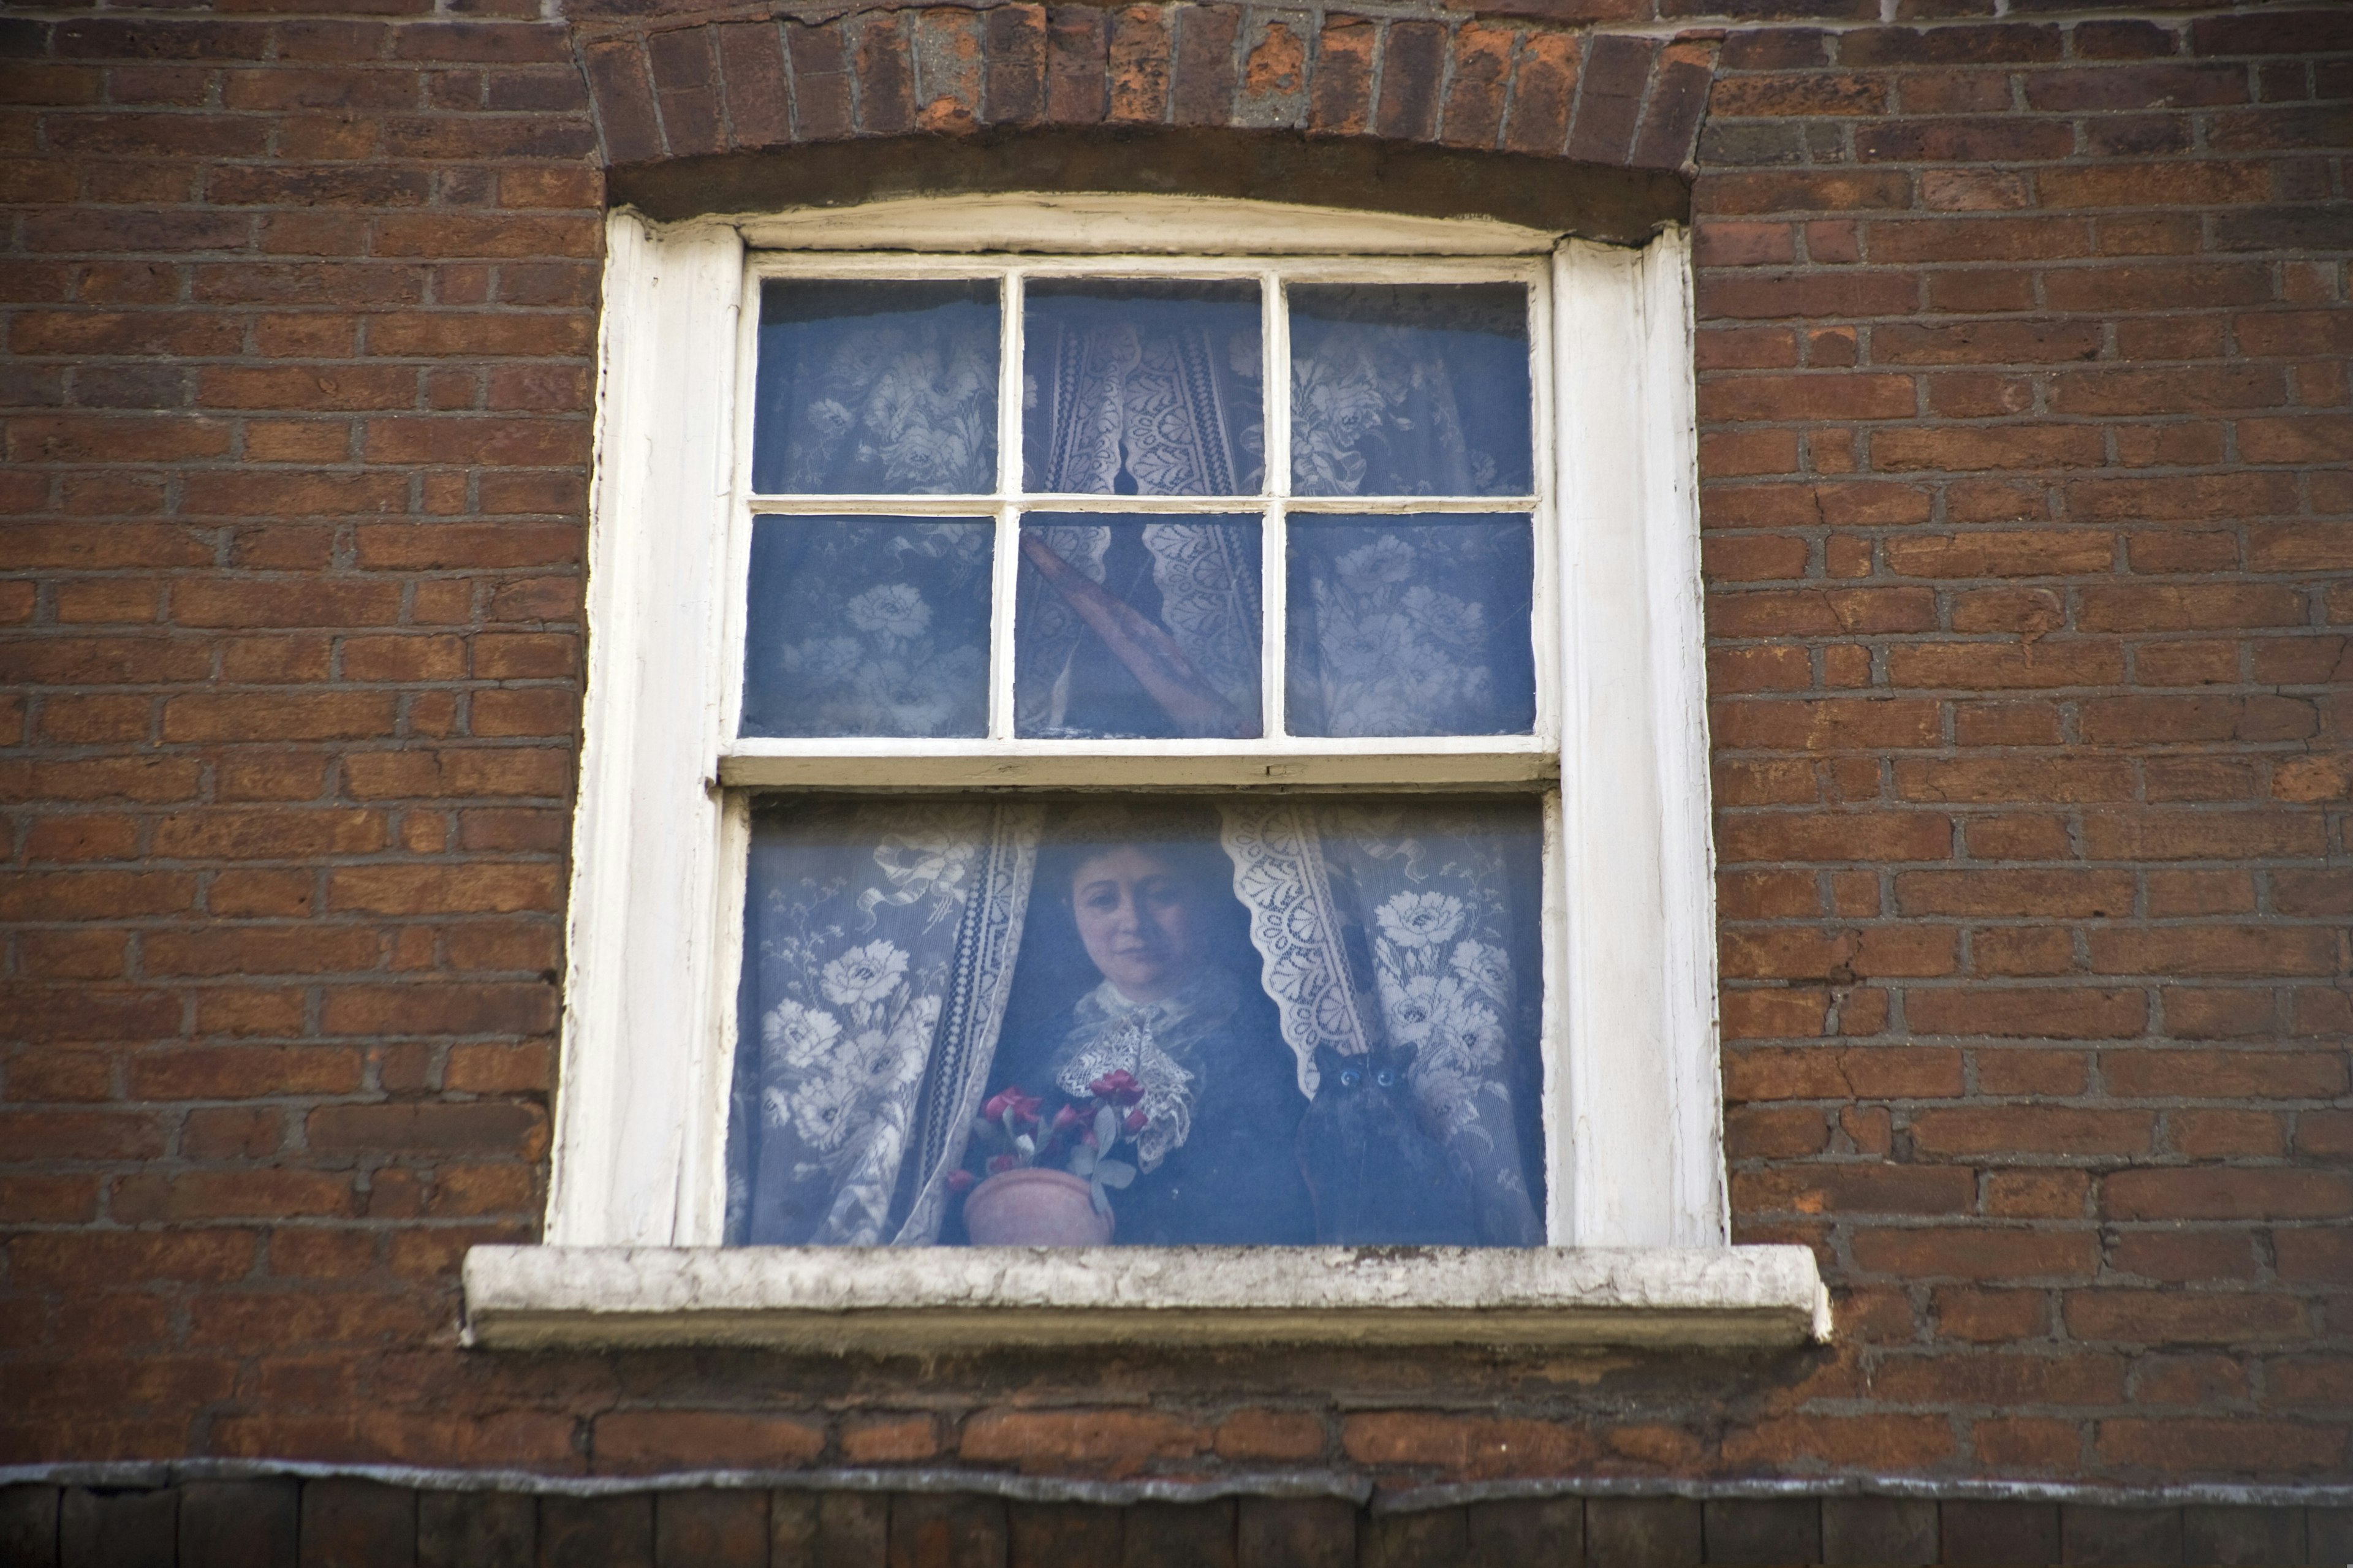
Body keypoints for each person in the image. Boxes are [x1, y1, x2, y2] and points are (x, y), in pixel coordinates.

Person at [968, 812, 1317, 1244]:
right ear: (1071, 911)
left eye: (1161, 894)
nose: (1133, 922)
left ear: (1204, 899)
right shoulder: (1033, 1051)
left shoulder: (1282, 1035)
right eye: (1102, 900)